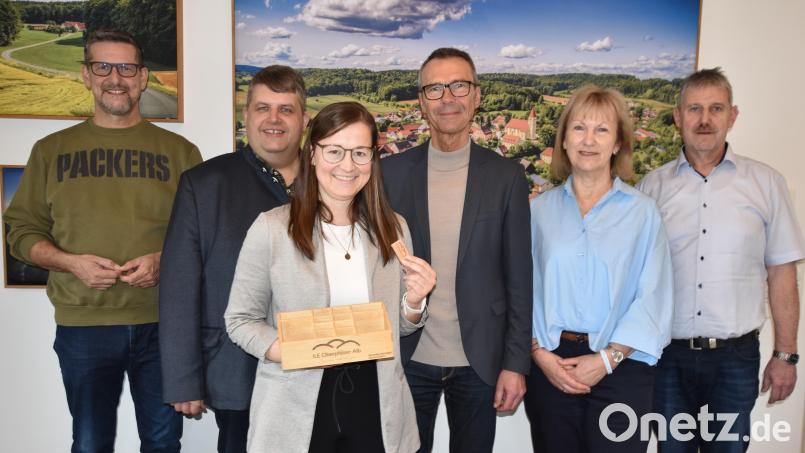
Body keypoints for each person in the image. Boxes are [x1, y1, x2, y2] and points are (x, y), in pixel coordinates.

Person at [3, 30, 201, 452]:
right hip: (84, 326)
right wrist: (70, 262)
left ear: (143, 78)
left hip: (164, 325)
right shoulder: (50, 151)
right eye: (103, 66)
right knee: (91, 443)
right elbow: (20, 232)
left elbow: (202, 236)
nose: (116, 78)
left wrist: (164, 260)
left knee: (163, 443)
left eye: (127, 68)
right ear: (86, 75)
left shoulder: (181, 152)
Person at [225, 101, 435, 453]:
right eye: (334, 151)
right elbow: (240, 320)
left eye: (360, 153)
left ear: (373, 158)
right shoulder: (272, 229)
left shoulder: (393, 228)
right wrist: (290, 350)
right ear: (312, 154)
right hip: (296, 402)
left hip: (377, 399)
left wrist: (414, 302)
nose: (347, 166)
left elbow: (397, 328)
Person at [638, 67, 804, 452]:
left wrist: (785, 354)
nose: (705, 119)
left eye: (716, 108)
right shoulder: (651, 188)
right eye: (694, 109)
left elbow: (782, 275)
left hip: (735, 359)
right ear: (678, 117)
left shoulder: (767, 184)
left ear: (733, 115)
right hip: (667, 359)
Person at [381, 48, 532, 452]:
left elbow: (520, 280)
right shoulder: (389, 174)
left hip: (480, 361)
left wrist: (515, 364)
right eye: (435, 88)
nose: (447, 98)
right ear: (421, 101)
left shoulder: (506, 177)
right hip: (409, 358)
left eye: (459, 85)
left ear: (477, 95)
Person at [158, 65, 308, 453]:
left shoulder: (333, 180)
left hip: (317, 366)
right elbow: (179, 287)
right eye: (263, 108)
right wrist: (183, 379)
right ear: (246, 116)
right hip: (235, 367)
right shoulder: (204, 184)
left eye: (286, 109)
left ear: (304, 120)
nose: (274, 119)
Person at [524, 85, 674, 452]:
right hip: (551, 368)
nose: (588, 140)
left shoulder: (643, 213)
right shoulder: (538, 212)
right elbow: (521, 291)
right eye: (579, 128)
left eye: (602, 129)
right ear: (563, 140)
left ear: (618, 143)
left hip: (623, 369)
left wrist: (607, 360)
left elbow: (653, 296)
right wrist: (539, 356)